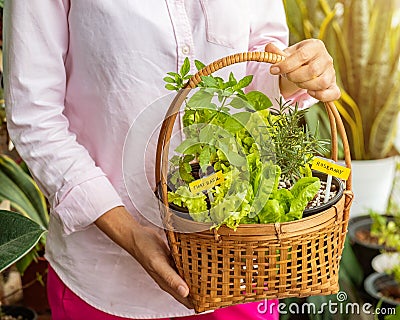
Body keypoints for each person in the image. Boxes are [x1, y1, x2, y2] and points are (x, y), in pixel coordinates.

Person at [3, 1, 340, 319]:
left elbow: (260, 63)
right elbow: (35, 115)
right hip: (110, 281)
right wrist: (131, 234)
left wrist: (295, 72)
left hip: (239, 266)